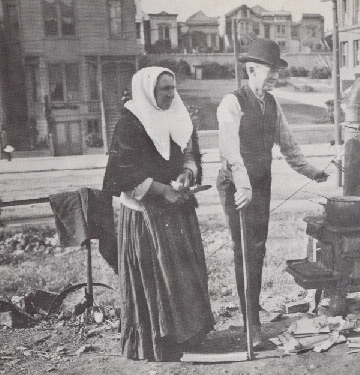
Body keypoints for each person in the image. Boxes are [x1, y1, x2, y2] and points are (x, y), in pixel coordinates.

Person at [217, 38, 328, 347]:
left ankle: (252, 313)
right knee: (244, 251)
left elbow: (288, 145)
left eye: (278, 71)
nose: (276, 76)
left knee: (258, 249)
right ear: (251, 70)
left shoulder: (272, 103)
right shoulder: (232, 103)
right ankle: (250, 324)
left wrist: (312, 171)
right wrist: (243, 185)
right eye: (271, 71)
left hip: (260, 184)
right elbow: (228, 151)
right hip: (236, 185)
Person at [102, 67, 214, 361]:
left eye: (173, 88)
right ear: (148, 90)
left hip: (177, 210)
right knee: (155, 277)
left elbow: (190, 152)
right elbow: (122, 174)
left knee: (182, 275)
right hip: (145, 216)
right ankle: (157, 341)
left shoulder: (179, 115)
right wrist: (162, 189)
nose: (170, 94)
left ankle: (188, 333)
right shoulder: (129, 124)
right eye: (164, 89)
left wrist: (188, 173)